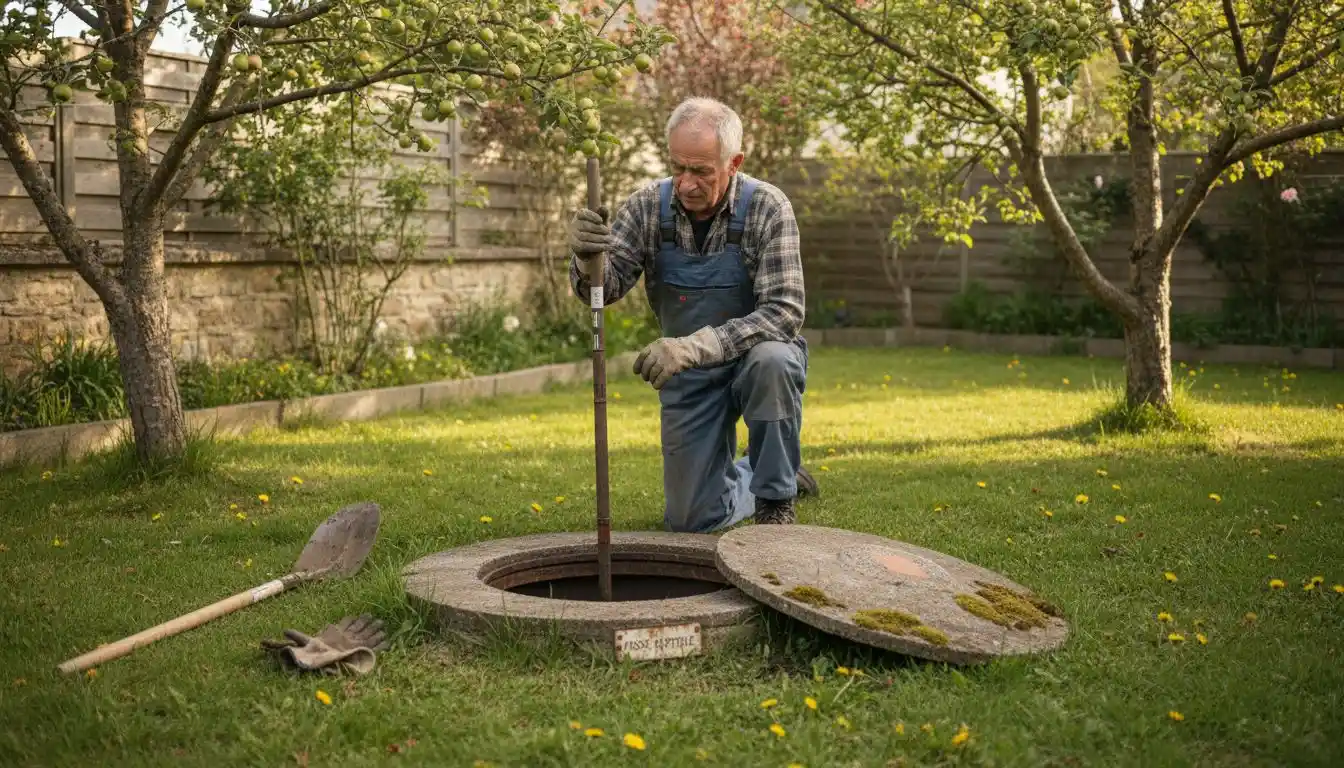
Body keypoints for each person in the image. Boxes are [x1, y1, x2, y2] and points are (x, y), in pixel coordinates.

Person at [566, 96, 817, 534]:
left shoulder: (768, 208)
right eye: (678, 167)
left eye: (701, 171)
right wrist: (587, 257)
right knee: (691, 521)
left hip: (752, 362)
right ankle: (759, 474)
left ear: (734, 162)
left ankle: (776, 497)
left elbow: (784, 313)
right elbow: (599, 293)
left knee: (773, 360)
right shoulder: (646, 207)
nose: (686, 183)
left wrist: (695, 346)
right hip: (692, 378)